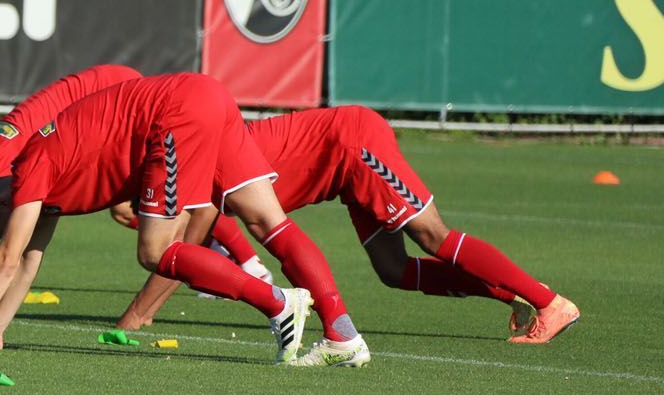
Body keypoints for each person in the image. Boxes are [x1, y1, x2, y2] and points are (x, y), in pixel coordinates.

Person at [0, 73, 369, 368]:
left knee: (155, 250)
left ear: (1, 207)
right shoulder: (40, 187)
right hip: (206, 94)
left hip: (175, 115)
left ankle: (279, 303)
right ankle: (343, 335)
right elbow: (30, 258)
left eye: (6, 227)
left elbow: (9, 259)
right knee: (267, 220)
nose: (16, 231)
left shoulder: (29, 170)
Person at [114, 106, 580, 344]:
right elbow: (182, 243)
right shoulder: (199, 167)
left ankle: (550, 303)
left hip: (353, 143)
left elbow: (182, 246)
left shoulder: (205, 161)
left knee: (433, 236)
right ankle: (512, 291)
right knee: (393, 271)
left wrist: (138, 315)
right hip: (343, 173)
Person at [0, 64, 145, 292]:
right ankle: (171, 242)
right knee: (123, 212)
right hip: (109, 84)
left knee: (130, 210)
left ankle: (170, 245)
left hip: (115, 90)